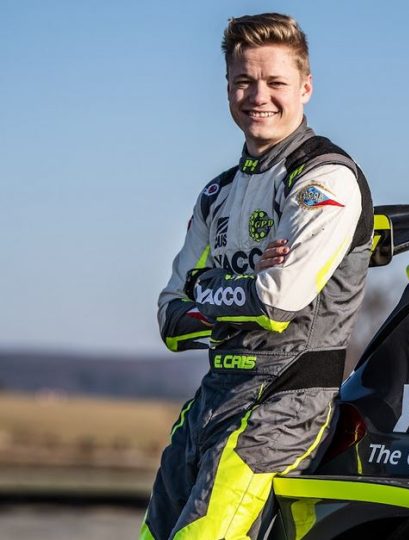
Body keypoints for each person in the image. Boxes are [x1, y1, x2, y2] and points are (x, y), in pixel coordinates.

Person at [141, 12, 372, 539]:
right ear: (227, 86)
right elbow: (170, 321)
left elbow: (276, 302)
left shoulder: (324, 177)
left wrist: (204, 289)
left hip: (284, 404)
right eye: (244, 81)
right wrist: (230, 291)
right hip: (212, 396)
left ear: (305, 87)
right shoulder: (217, 193)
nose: (258, 96)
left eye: (275, 82)